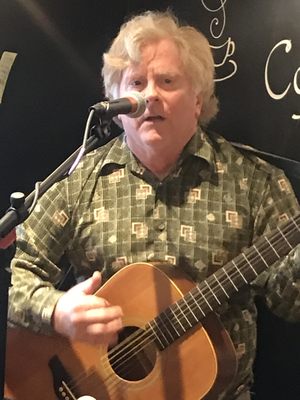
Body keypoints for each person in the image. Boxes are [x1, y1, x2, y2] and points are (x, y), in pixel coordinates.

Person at [7, 10, 300, 400]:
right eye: (137, 83)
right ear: (115, 101)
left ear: (197, 99)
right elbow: (16, 279)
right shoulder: (79, 182)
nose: (150, 96)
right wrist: (56, 310)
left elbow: (291, 301)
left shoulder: (255, 184)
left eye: (167, 81)